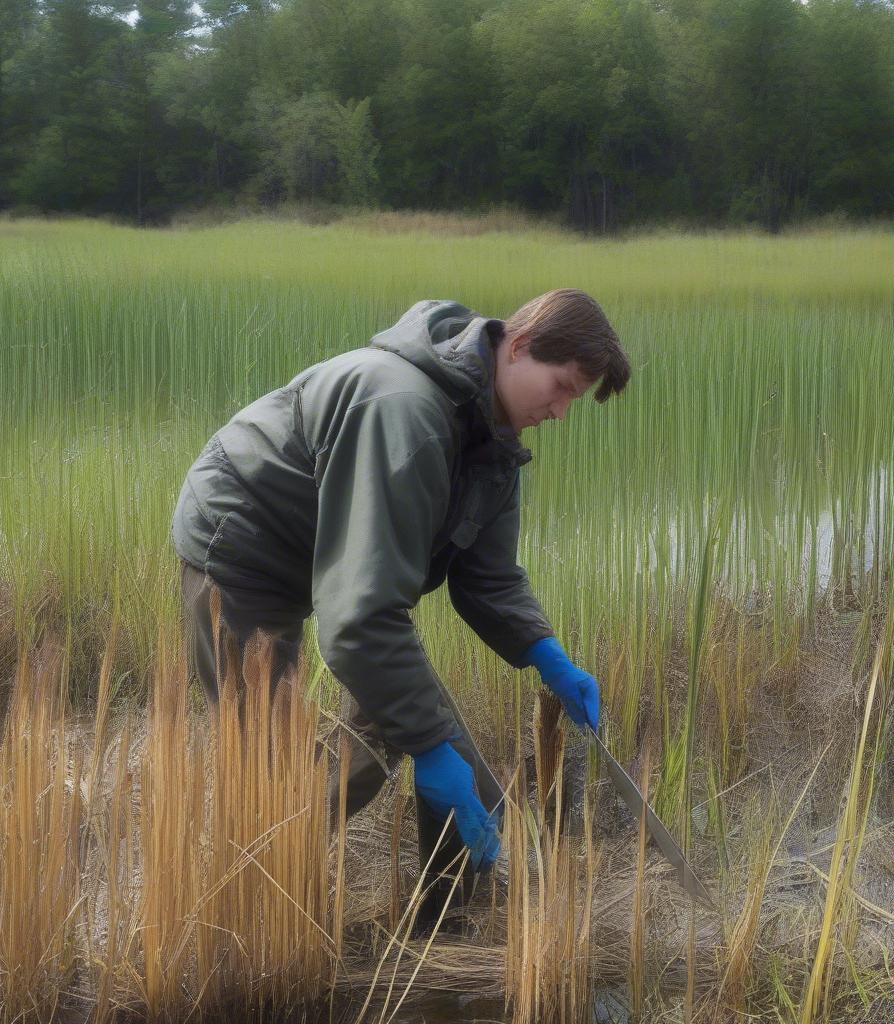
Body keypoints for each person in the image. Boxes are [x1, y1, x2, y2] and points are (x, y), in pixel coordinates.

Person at [171, 288, 631, 928]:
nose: (559, 411)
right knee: (266, 764)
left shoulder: (493, 436)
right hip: (244, 542)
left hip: (325, 552)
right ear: (519, 346)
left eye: (573, 400)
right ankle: (251, 911)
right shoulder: (404, 412)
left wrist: (544, 653)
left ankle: (440, 922)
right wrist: (432, 746)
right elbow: (360, 617)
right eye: (560, 388)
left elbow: (488, 576)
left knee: (411, 723)